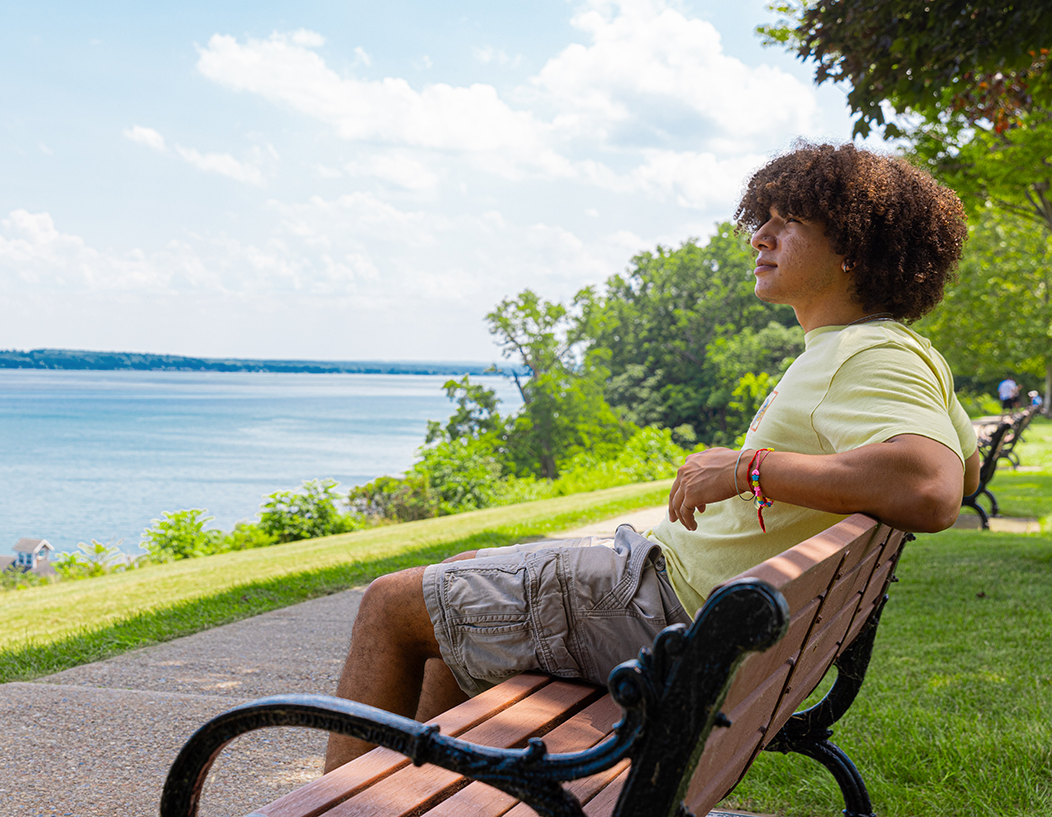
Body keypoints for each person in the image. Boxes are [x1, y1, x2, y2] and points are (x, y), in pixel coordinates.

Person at [323, 142, 983, 771]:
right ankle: (429, 795)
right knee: (455, 591)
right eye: (763, 221)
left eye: (789, 224)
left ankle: (352, 807)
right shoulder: (899, 350)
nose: (761, 237)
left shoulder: (867, 356)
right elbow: (969, 464)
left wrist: (746, 469)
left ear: (853, 250)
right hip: (700, 620)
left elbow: (932, 487)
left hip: (667, 613)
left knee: (390, 604)